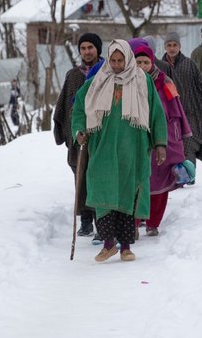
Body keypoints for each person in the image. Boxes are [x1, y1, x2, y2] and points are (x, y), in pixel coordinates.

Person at [71, 40, 167, 262]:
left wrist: (160, 143)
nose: (115, 65)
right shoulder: (96, 81)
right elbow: (78, 109)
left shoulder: (143, 81)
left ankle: (125, 247)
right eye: (112, 60)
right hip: (102, 147)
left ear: (127, 59)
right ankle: (108, 244)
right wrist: (79, 131)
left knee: (127, 191)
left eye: (120, 60)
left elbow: (156, 113)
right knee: (103, 191)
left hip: (132, 147)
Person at [131, 40, 191, 236]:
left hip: (163, 139)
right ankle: (135, 221)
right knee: (137, 182)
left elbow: (177, 109)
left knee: (159, 181)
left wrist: (179, 135)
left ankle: (153, 222)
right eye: (138, 63)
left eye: (145, 63)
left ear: (152, 62)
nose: (141, 67)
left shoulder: (165, 82)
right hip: (136, 140)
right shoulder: (127, 84)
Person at [52, 32, 104, 239]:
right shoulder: (73, 75)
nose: (87, 52)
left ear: (98, 49)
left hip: (100, 136)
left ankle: (102, 222)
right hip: (78, 136)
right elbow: (64, 104)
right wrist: (64, 129)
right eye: (83, 48)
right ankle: (85, 220)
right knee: (80, 176)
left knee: (99, 178)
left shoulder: (106, 73)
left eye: (90, 47)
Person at [162, 32, 202, 169]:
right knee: (171, 144)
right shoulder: (160, 67)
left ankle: (189, 176)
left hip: (189, 111)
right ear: (165, 47)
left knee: (188, 144)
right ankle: (173, 177)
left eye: (175, 45)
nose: (172, 48)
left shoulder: (189, 64)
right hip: (169, 113)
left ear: (180, 46)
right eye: (169, 45)